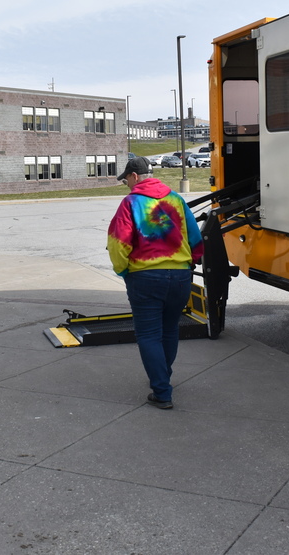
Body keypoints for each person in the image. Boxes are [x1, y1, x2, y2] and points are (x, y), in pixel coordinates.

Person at [107, 156, 203, 410]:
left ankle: (162, 391)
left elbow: (119, 243)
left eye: (126, 178)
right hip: (181, 276)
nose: (126, 183)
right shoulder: (176, 200)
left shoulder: (131, 202)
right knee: (170, 330)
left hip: (146, 277)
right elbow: (194, 236)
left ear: (135, 176)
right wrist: (191, 260)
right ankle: (163, 377)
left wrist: (123, 270)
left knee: (149, 334)